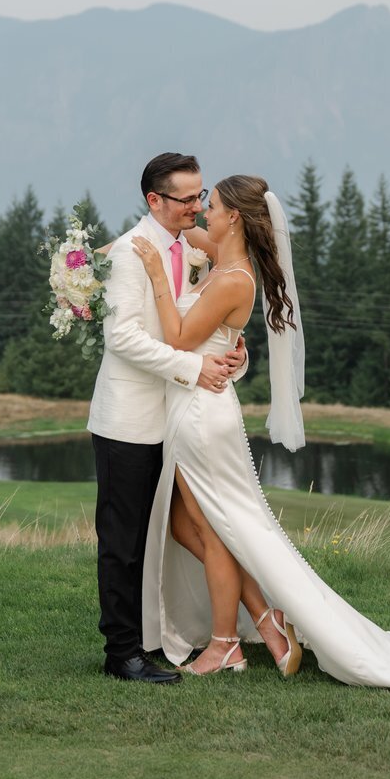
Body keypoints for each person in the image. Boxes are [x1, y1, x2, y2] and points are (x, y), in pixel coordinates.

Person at [132, 174, 390, 691]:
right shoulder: (220, 255)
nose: (202, 211)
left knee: (216, 529)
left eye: (213, 204)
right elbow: (180, 236)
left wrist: (157, 275)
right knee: (187, 526)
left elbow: (178, 337)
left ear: (235, 218)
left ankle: (225, 645)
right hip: (192, 405)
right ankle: (266, 617)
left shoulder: (232, 278)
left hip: (202, 414)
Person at [88, 153, 246, 684]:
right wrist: (191, 366)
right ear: (153, 200)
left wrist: (229, 358)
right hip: (129, 418)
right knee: (123, 540)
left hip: (177, 420)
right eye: (186, 199)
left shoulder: (188, 249)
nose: (198, 208)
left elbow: (203, 328)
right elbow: (123, 338)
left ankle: (156, 638)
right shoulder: (135, 254)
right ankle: (122, 654)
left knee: (165, 535)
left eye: (202, 197)